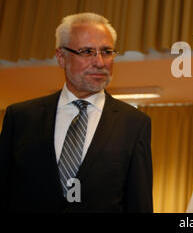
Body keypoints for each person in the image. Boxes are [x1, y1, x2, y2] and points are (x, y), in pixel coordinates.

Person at [0, 13, 153, 212]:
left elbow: (139, 204)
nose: (100, 62)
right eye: (87, 51)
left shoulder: (134, 124)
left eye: (106, 51)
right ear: (61, 57)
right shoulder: (21, 117)